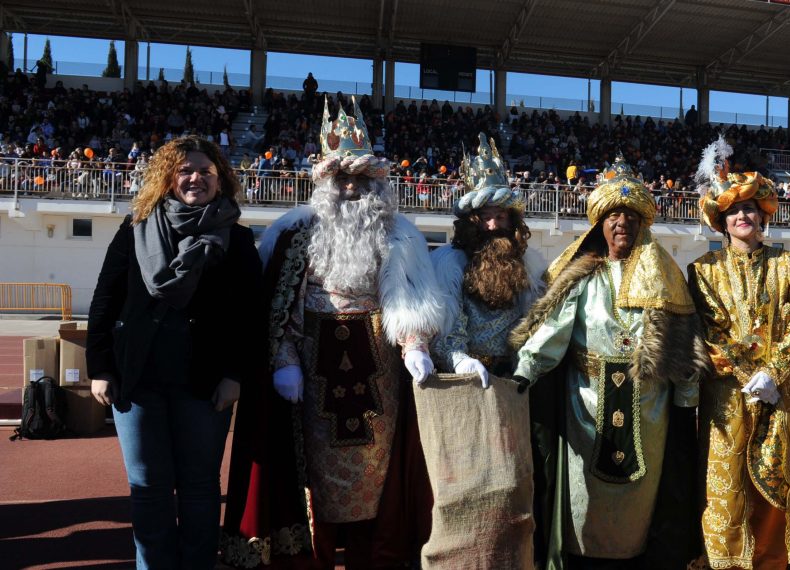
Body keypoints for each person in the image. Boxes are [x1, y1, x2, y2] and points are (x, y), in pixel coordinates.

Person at [221, 98, 445, 568]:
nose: (349, 188)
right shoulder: (294, 234)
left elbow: (406, 298)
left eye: (359, 180)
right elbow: (281, 307)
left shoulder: (398, 235)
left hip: (378, 378)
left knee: (376, 475)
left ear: (373, 184)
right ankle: (316, 557)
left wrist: (415, 345)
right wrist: (283, 360)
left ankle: (371, 555)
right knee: (314, 478)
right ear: (324, 182)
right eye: (341, 179)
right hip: (312, 371)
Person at [510, 154, 708, 569]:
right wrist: (523, 373)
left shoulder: (665, 278)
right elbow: (552, 335)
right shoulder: (583, 277)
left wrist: (687, 397)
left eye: (631, 216)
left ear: (643, 224)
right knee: (584, 500)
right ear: (600, 224)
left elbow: (684, 342)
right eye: (613, 216)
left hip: (648, 408)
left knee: (642, 504)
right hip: (586, 405)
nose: (622, 223)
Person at [86, 135, 262, 568]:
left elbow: (252, 315)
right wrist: (100, 367)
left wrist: (235, 374)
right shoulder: (136, 227)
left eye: (205, 171)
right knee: (148, 487)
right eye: (185, 170)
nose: (195, 178)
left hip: (204, 382)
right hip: (137, 378)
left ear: (221, 180)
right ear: (168, 178)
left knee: (201, 487)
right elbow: (105, 299)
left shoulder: (236, 240)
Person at [687, 137, 790, 568]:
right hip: (728, 397)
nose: (743, 215)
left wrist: (775, 373)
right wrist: (749, 375)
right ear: (722, 222)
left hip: (782, 395)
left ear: (762, 214)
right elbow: (709, 330)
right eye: (733, 211)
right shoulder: (703, 272)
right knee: (726, 482)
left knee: (783, 477)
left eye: (749, 208)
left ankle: (775, 560)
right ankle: (728, 559)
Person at [422, 133, 546, 566]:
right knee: (462, 485)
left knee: (509, 484)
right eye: (485, 216)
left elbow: (533, 324)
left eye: (501, 215)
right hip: (459, 387)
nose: (494, 224)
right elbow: (447, 324)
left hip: (510, 386)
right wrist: (458, 356)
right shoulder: (448, 264)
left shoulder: (528, 267)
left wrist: (522, 363)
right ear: (470, 221)